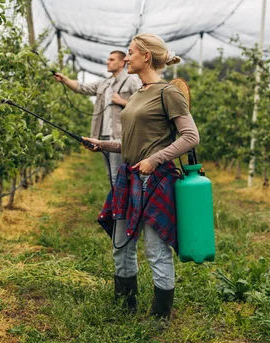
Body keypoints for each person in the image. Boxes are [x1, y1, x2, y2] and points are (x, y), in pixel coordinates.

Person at [82, 34, 200, 320]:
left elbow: (191, 136)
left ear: (146, 56)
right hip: (130, 175)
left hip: (155, 178)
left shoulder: (167, 92)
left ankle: (161, 315)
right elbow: (133, 143)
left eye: (130, 53)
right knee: (120, 244)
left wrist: (155, 159)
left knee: (156, 250)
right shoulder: (139, 92)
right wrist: (103, 145)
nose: (126, 58)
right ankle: (126, 304)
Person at [53, 51, 141, 185]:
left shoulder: (132, 81)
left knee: (118, 175)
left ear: (122, 63)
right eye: (108, 59)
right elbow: (81, 88)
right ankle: (117, 204)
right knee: (110, 175)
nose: (108, 62)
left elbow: (143, 105)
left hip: (120, 136)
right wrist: (65, 79)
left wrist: (122, 102)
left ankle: (120, 204)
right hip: (104, 136)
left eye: (111, 59)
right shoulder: (105, 83)